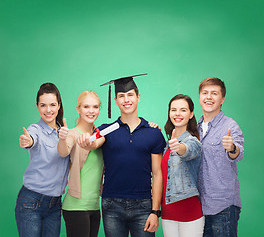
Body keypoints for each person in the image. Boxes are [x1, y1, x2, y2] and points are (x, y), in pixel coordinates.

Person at [78, 74, 166, 237]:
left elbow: (158, 174)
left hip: (144, 206)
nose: (126, 100)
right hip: (112, 205)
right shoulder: (106, 129)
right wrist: (87, 143)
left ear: (138, 97)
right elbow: (94, 142)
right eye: (121, 96)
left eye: (130, 95)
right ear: (116, 100)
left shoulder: (153, 133)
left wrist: (155, 211)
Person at [15, 83, 70, 237]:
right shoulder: (35, 129)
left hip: (55, 205)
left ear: (59, 105)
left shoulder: (63, 132)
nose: (48, 110)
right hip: (31, 202)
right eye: (43, 105)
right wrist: (28, 141)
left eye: (52, 105)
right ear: (38, 107)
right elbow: (32, 139)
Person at [197, 77, 244, 237]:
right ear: (199, 97)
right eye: (205, 93)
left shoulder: (230, 126)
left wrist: (232, 148)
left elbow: (238, 152)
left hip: (223, 206)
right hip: (198, 207)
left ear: (222, 99)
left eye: (214, 93)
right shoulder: (194, 128)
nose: (209, 97)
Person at [57, 90, 104, 237]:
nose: (91, 111)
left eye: (95, 107)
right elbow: (63, 151)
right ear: (78, 109)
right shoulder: (71, 134)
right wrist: (63, 139)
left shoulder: (100, 135)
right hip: (76, 207)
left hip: (95, 206)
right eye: (86, 107)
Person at [161, 94, 204, 237]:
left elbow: (187, 150)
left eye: (183, 110)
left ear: (191, 114)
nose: (177, 114)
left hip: (189, 212)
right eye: (173, 110)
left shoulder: (193, 141)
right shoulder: (166, 146)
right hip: (168, 213)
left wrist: (178, 147)